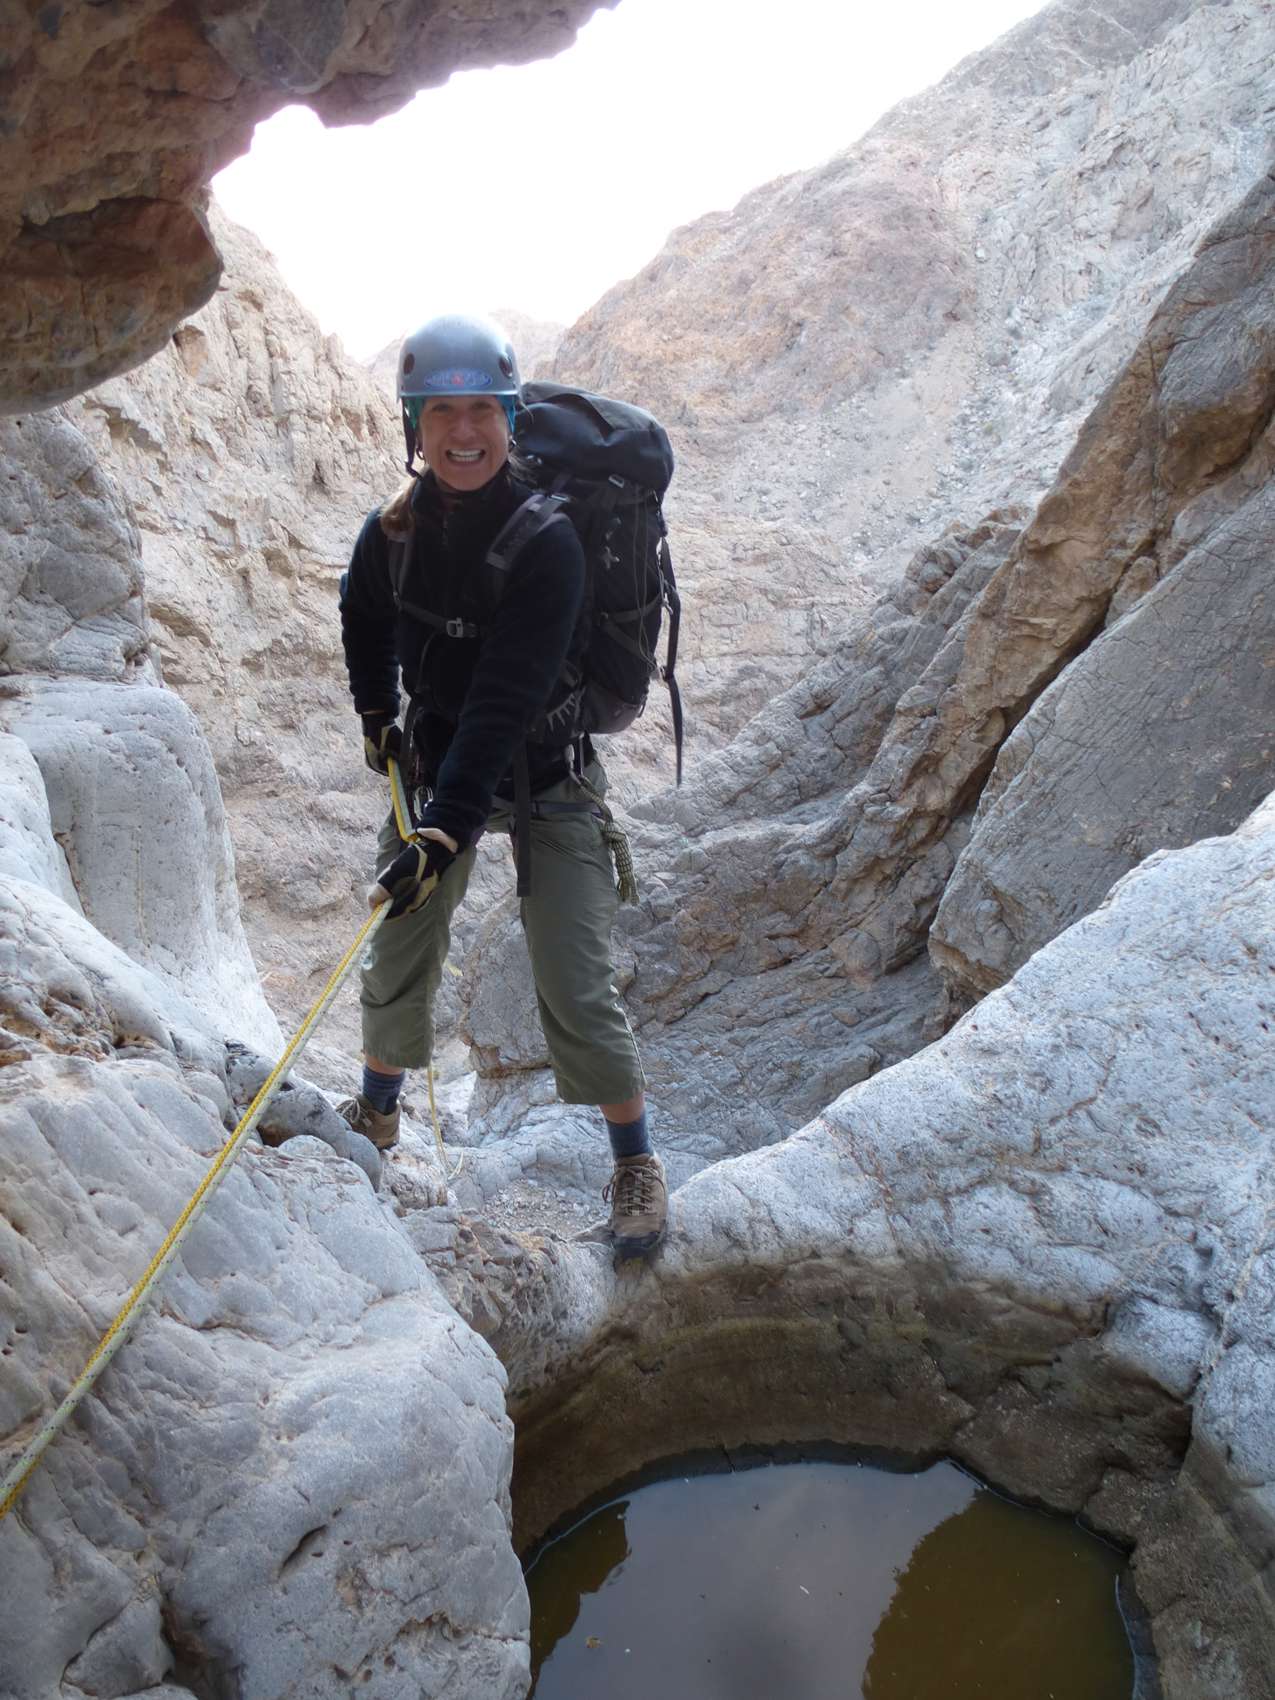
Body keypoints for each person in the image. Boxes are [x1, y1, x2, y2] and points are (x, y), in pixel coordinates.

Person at [336, 313, 667, 1256]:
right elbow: (362, 619)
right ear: (414, 423)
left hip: (546, 766)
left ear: (511, 419)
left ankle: (635, 1166)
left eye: (482, 409)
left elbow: (505, 700)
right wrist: (376, 713)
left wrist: (442, 832)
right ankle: (377, 1115)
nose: (463, 431)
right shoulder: (391, 533)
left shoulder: (549, 542)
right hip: (438, 760)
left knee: (573, 974)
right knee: (400, 939)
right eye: (441, 412)